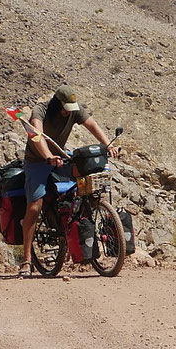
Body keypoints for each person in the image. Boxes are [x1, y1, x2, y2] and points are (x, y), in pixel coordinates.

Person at [17, 87, 114, 273]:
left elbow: (91, 124)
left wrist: (108, 144)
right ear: (56, 104)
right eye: (64, 108)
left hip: (61, 157)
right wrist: (47, 157)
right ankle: (27, 260)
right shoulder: (40, 111)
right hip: (38, 161)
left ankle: (74, 222)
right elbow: (37, 137)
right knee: (35, 205)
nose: (68, 112)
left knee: (86, 180)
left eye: (70, 108)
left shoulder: (74, 110)